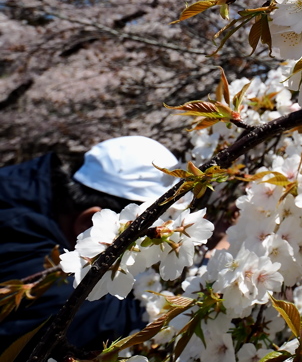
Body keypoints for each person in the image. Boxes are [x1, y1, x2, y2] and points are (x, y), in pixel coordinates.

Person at [0, 136, 178, 355]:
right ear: (91, 224)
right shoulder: (24, 249)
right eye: (149, 233)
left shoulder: (22, 183)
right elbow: (99, 323)